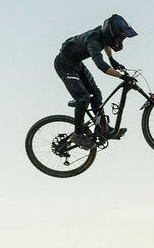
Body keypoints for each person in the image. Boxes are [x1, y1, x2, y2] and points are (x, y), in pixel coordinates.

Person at [54, 14, 139, 149]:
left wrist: (112, 60)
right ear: (111, 34)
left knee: (96, 94)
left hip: (77, 64)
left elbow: (106, 45)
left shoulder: (103, 35)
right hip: (65, 66)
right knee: (83, 98)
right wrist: (122, 77)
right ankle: (78, 134)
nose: (121, 40)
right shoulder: (93, 42)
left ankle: (103, 128)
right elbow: (101, 66)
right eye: (120, 37)